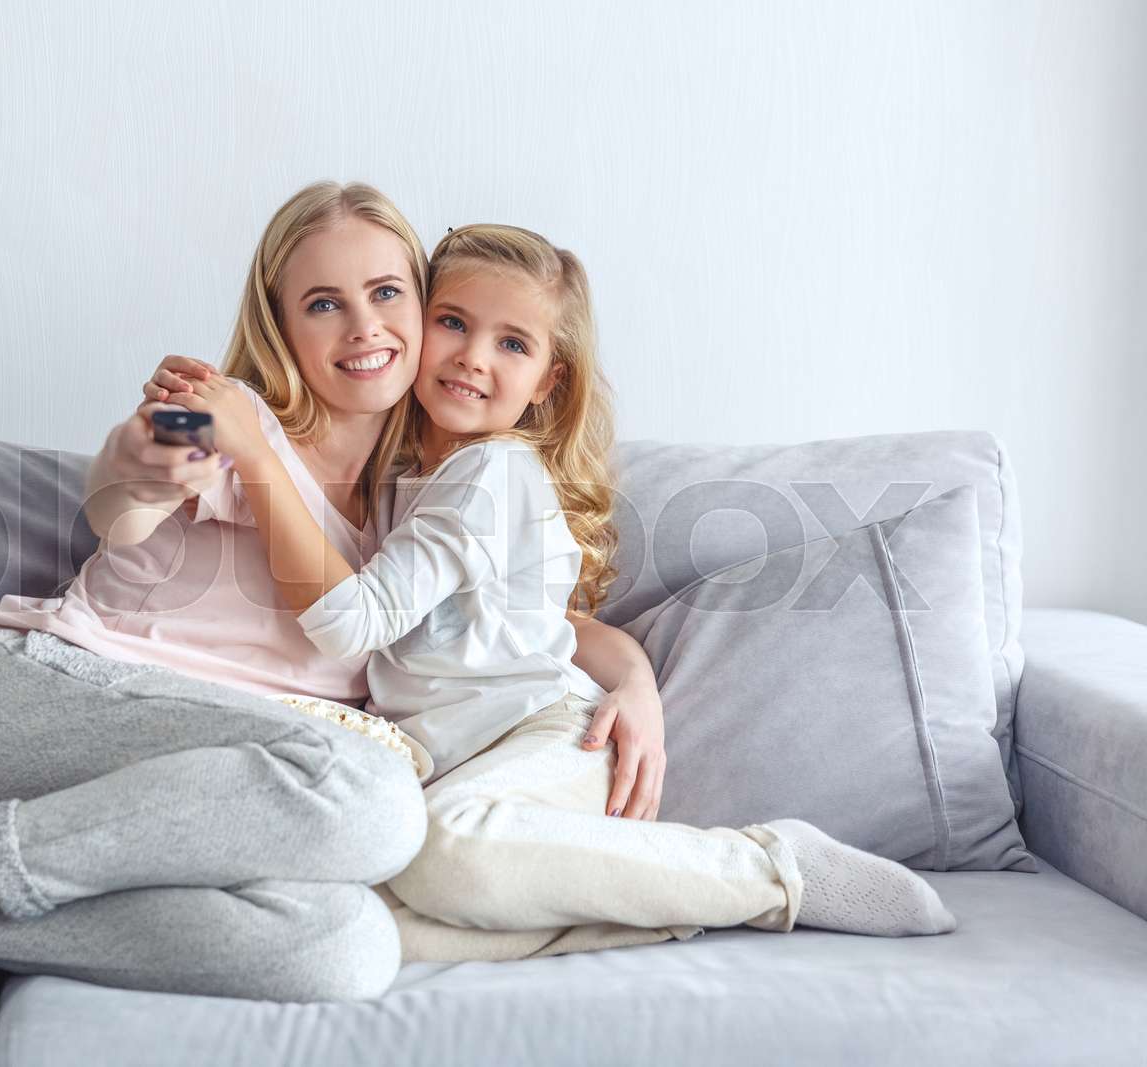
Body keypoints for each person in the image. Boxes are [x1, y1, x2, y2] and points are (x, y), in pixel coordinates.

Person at [0, 181, 667, 999]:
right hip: (22, 714)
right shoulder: (231, 422)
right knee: (372, 798)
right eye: (324, 303)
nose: (364, 326)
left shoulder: (420, 512)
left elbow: (549, 629)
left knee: (347, 944)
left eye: (387, 293)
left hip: (150, 807)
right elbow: (126, 491)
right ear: (281, 326)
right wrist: (148, 457)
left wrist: (635, 685)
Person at [158, 222, 958, 958]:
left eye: (512, 343)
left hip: (546, 741)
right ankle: (655, 910)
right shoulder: (406, 476)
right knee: (366, 917)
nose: (474, 356)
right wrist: (179, 425)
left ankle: (770, 869)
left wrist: (252, 454)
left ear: (547, 380)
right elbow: (553, 624)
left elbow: (350, 621)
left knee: (447, 846)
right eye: (454, 322)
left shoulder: (490, 472)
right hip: (468, 767)